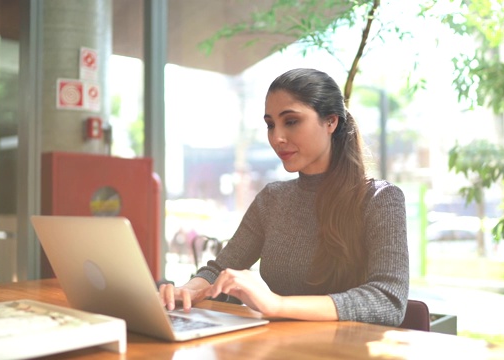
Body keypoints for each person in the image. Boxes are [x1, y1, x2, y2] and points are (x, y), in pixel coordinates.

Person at [159, 68, 409, 326]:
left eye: (291, 121)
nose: (277, 138)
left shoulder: (380, 199)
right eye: (270, 125)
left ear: (331, 121)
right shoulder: (273, 199)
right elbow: (217, 270)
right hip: (281, 346)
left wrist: (277, 304)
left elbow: (388, 300)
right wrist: (187, 291)